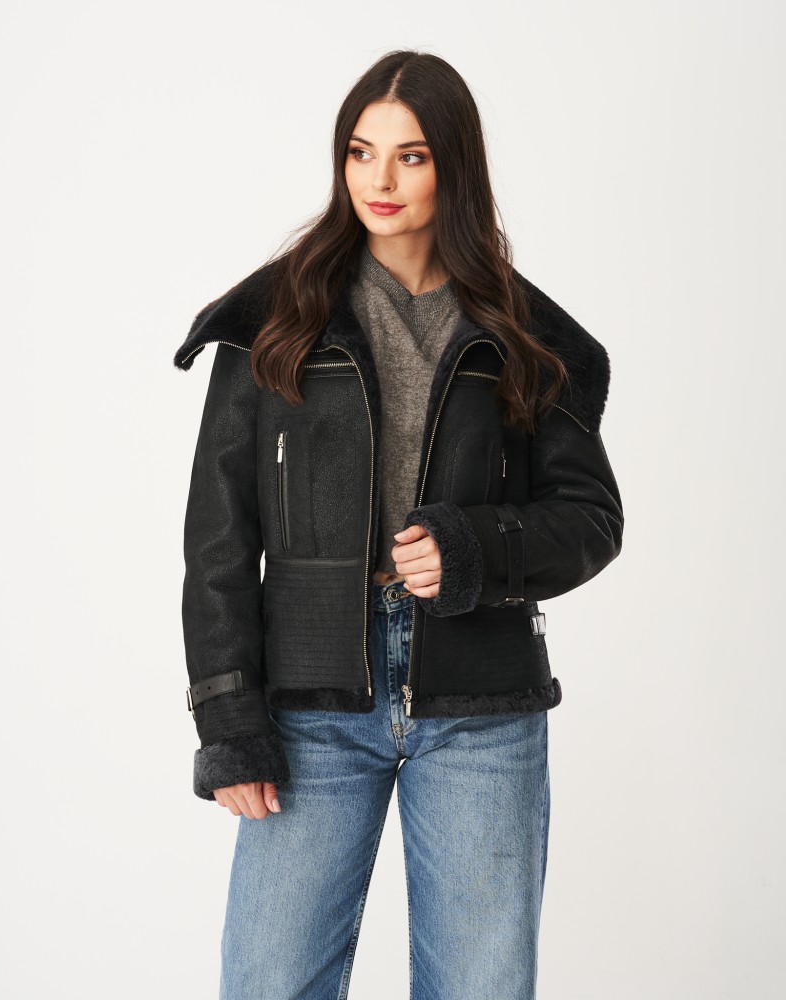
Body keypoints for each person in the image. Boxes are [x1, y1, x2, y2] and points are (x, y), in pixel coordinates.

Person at [173, 49, 624, 1000]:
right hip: (309, 705)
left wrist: (473, 550)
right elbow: (219, 540)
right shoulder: (275, 320)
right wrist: (229, 720)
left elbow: (591, 518)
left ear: (454, 166)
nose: (379, 179)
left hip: (482, 710)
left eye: (410, 156)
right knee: (268, 982)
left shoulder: (526, 335)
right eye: (360, 152)